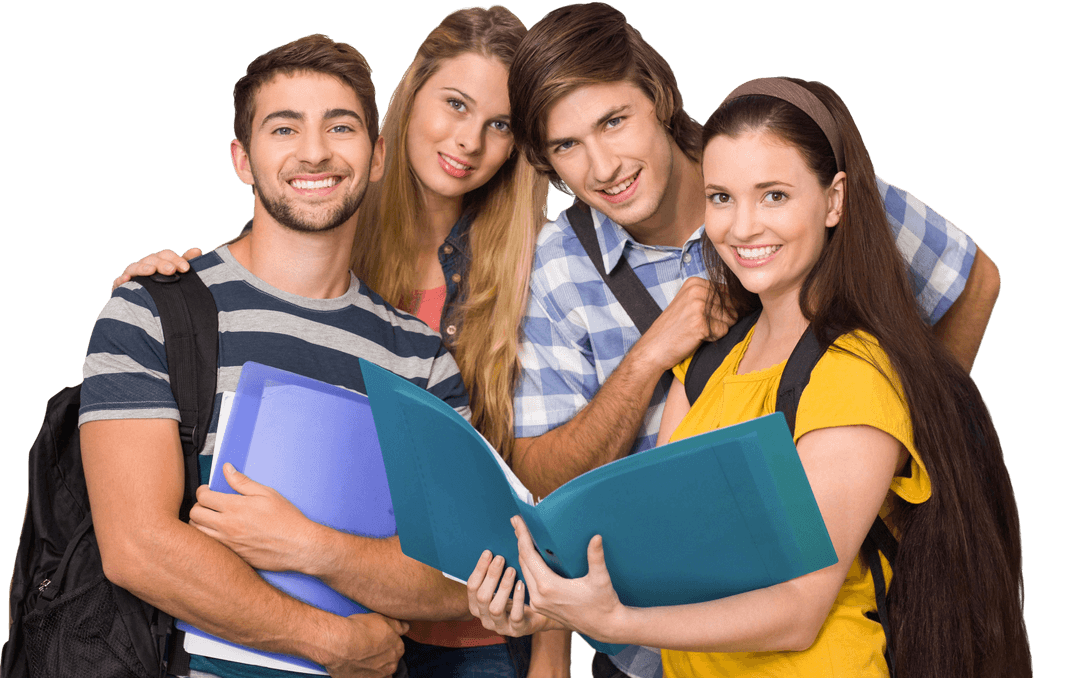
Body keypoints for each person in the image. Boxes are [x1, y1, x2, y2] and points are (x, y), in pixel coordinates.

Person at [467, 76, 1031, 678]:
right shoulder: (708, 364)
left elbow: (797, 613)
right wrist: (547, 609)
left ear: (835, 200)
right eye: (722, 198)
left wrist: (615, 624)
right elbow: (672, 559)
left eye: (775, 197)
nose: (742, 227)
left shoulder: (857, 374)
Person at [110, 7, 567, 677]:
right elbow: (138, 545)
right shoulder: (179, 307)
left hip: (462, 628)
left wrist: (308, 547)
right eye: (456, 104)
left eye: (499, 124)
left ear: (371, 150)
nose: (469, 140)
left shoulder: (506, 290)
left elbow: (503, 524)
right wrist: (167, 299)